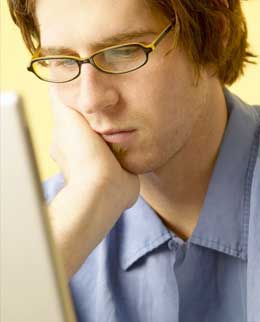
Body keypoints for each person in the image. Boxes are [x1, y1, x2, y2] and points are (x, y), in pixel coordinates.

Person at [8, 0, 260, 321]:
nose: (92, 101)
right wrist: (89, 195)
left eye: (124, 51)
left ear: (214, 38)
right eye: (63, 61)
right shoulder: (46, 225)